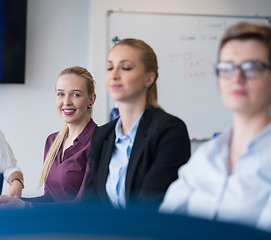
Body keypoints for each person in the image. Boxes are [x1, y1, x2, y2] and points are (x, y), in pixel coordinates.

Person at [160, 22, 271, 232]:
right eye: (226, 68)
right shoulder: (207, 155)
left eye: (252, 67)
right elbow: (166, 224)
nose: (237, 78)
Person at [83, 38, 191, 209]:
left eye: (125, 67)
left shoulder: (170, 130)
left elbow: (151, 206)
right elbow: (89, 204)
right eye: (110, 67)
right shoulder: (101, 135)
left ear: (149, 78)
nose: (114, 75)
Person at [0, 66, 97, 208]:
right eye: (60, 94)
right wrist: (15, 203)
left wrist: (25, 206)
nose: (66, 102)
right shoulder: (53, 141)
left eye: (75, 94)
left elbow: (83, 205)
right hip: (53, 225)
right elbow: (50, 197)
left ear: (91, 99)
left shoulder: (99, 141)